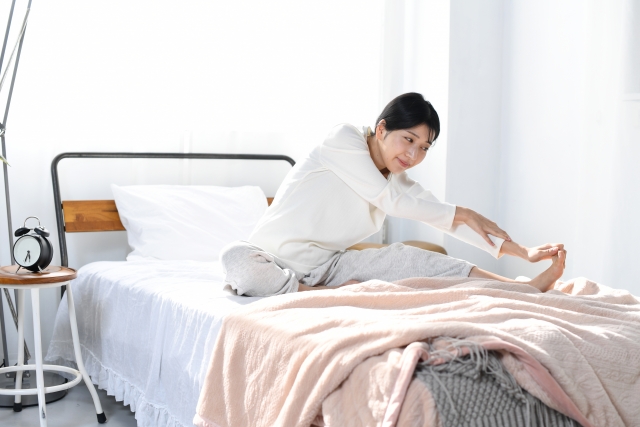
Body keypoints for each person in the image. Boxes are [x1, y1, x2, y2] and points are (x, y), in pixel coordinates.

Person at [221, 92, 567, 297]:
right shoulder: (343, 140)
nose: (414, 155)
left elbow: (445, 219)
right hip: (270, 260)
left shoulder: (396, 181)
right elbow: (392, 202)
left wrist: (522, 251)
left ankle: (520, 289)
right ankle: (318, 297)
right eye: (409, 140)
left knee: (411, 258)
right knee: (233, 257)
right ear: (382, 128)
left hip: (330, 267)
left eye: (424, 147)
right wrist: (463, 211)